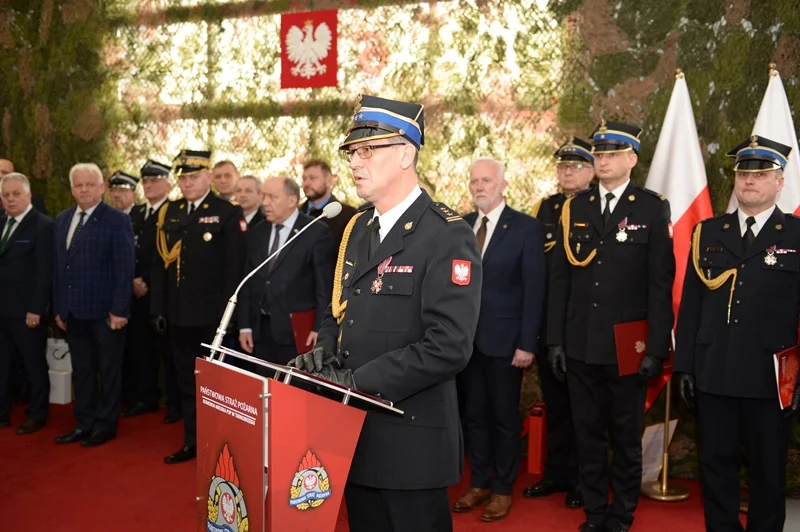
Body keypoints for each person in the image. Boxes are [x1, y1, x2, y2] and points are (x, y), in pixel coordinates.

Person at [288, 95, 482, 532]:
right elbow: (341, 309)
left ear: (406, 154)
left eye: (367, 150)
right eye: (352, 152)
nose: (355, 161)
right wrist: (324, 352)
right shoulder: (357, 227)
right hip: (354, 437)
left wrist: (358, 384)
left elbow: (448, 346)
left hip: (411, 444)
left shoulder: (446, 235)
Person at [547, 121, 675, 532]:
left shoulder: (651, 208)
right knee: (588, 436)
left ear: (632, 159)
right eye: (599, 154)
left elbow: (660, 284)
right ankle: (595, 513)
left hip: (627, 347)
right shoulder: (575, 208)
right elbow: (561, 280)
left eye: (612, 154)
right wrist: (555, 341)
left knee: (624, 437)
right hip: (581, 342)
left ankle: (621, 515)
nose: (603, 160)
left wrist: (656, 348)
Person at [676, 135, 798, 532]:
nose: (749, 181)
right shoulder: (708, 233)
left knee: (767, 473)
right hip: (716, 373)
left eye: (761, 174)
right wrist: (685, 369)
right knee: (715, 469)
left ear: (780, 182)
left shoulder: (795, 235)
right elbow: (692, 307)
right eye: (744, 173)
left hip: (771, 378)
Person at [451, 157, 545, 522]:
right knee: (474, 417)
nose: (479, 187)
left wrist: (527, 343)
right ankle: (480, 483)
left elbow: (534, 290)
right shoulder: (459, 227)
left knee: (505, 418)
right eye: (474, 181)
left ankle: (504, 489)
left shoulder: (525, 227)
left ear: (503, 185)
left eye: (486, 180)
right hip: (466, 342)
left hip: (506, 342)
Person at [150, 150, 246, 464]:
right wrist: (158, 308)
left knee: (215, 384)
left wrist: (228, 318)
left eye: (194, 177)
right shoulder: (171, 212)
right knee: (186, 381)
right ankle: (192, 441)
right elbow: (160, 266)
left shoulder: (227, 212)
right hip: (178, 314)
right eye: (183, 177)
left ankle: (220, 444)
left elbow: (234, 270)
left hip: (211, 317)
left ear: (207, 177)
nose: (187, 183)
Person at [523, 137, 594, 508]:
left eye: (576, 165)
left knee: (586, 409)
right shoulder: (545, 208)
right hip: (549, 328)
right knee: (556, 405)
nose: (567, 171)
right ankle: (557, 472)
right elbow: (537, 271)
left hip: (584, 326)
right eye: (563, 166)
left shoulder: (599, 208)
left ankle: (586, 479)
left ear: (592, 170)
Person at [52, 163, 135, 447]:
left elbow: (125, 269)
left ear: (101, 188)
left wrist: (120, 310)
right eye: (78, 185)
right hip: (73, 313)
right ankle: (84, 422)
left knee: (109, 371)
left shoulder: (116, 219)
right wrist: (60, 309)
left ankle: (105, 425)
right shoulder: (62, 220)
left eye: (90, 184)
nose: (84, 189)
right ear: (72, 189)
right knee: (83, 371)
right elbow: (60, 269)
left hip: (106, 314)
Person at [238, 176, 335, 369]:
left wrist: (320, 329)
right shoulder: (257, 232)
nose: (265, 202)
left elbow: (324, 287)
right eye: (264, 196)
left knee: (293, 392)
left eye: (272, 197)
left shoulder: (315, 231)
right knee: (263, 390)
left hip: (298, 333)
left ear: (292, 200)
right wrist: (245, 325)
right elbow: (248, 282)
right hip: (260, 331)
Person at [121, 159, 181, 423]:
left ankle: (174, 403)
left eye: (155, 180)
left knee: (169, 353)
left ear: (168, 184)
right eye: (145, 181)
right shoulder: (134, 215)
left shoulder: (175, 212)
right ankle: (146, 397)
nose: (149, 185)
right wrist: (132, 280)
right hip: (134, 294)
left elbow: (168, 258)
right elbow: (125, 253)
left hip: (163, 294)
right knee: (140, 349)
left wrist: (145, 280)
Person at [0, 172, 52, 434]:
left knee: (33, 363)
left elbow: (45, 273)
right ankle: (2, 412)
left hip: (27, 312)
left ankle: (38, 413)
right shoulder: (1, 223)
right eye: (5, 195)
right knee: (2, 363)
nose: (10, 199)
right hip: (2, 310)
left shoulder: (42, 225)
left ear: (28, 195)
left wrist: (36, 309)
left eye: (16, 194)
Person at [300, 159, 357, 247]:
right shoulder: (295, 212)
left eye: (312, 178)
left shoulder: (348, 215)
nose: (306, 183)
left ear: (329, 181)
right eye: (304, 179)